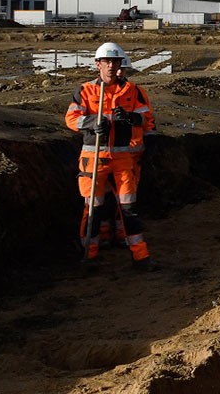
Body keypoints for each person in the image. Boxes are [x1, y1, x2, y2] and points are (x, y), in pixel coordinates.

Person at [64, 42, 156, 269]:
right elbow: (71, 119)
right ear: (98, 64)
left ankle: (140, 256)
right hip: (94, 159)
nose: (113, 67)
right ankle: (90, 254)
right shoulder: (85, 90)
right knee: (93, 208)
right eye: (108, 62)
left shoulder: (134, 91)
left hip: (124, 160)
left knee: (128, 208)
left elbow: (148, 120)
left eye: (116, 63)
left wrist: (131, 118)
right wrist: (92, 123)